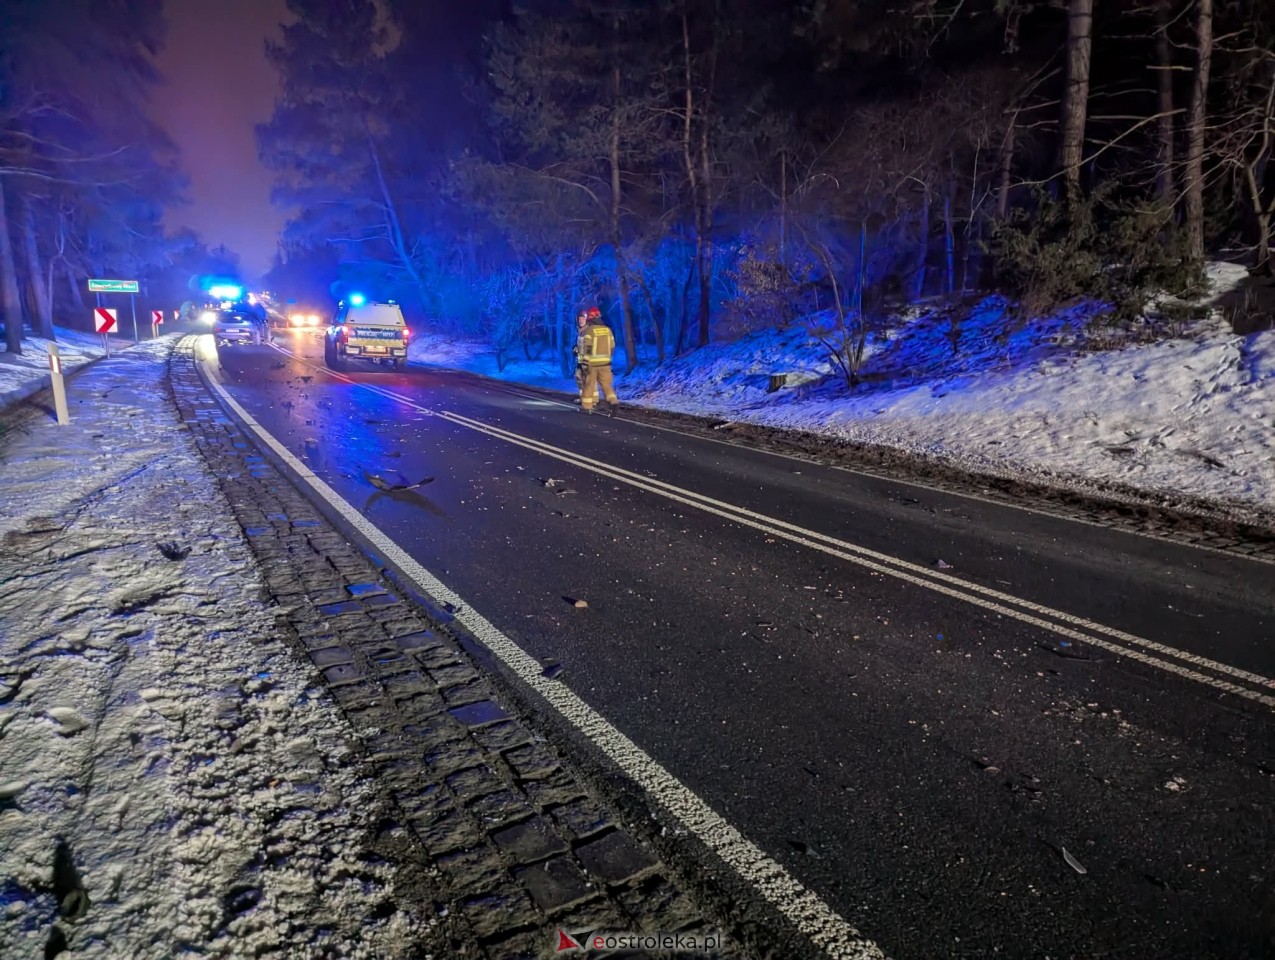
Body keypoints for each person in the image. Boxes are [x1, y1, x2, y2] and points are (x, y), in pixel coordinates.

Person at [575, 306, 619, 415]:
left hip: (593, 364)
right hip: (606, 364)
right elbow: (612, 346)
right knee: (607, 386)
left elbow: (587, 348)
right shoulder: (608, 330)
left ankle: (586, 407)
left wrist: (584, 363)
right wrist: (608, 357)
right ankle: (614, 402)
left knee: (588, 385)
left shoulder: (590, 331)